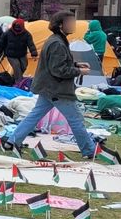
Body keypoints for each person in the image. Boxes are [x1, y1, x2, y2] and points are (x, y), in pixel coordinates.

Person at [5, 11, 97, 158]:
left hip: (49, 88)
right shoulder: (57, 43)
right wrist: (78, 71)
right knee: (76, 120)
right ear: (60, 25)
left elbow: (57, 63)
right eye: (70, 22)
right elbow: (58, 70)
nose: (73, 25)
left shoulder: (57, 40)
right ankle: (89, 151)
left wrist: (75, 64)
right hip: (56, 90)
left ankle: (12, 141)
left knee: (34, 116)